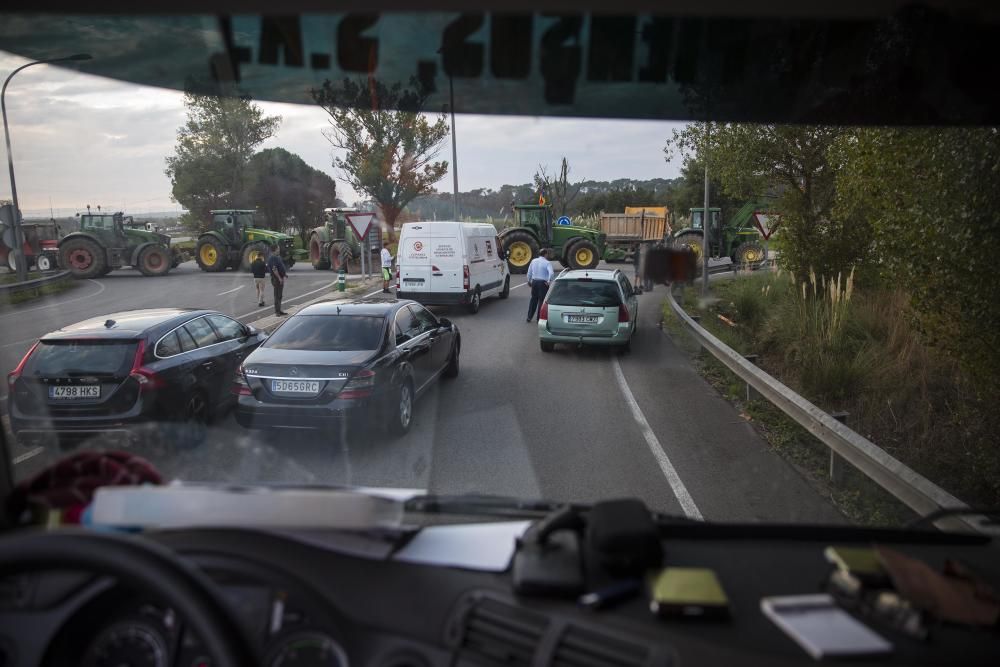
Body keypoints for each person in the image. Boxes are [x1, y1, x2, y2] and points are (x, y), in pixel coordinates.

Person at [525, 248, 553, 322]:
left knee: (533, 299)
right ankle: (539, 319)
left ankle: (529, 317)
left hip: (534, 282)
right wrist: (549, 280)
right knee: (541, 300)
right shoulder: (547, 263)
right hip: (542, 283)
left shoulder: (533, 261)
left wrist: (529, 280)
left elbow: (529, 272)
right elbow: (551, 273)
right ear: (545, 254)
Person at [266, 244, 288, 316]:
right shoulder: (272, 258)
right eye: (278, 249)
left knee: (280, 295)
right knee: (277, 295)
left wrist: (284, 274)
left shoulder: (277, 257)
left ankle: (279, 310)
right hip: (276, 279)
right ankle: (277, 312)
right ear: (275, 249)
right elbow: (274, 269)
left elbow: (280, 267)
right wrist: (279, 278)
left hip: (280, 278)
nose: (279, 250)